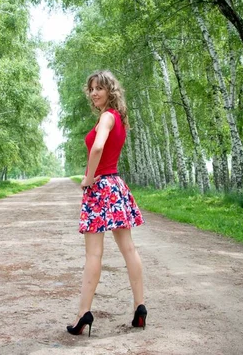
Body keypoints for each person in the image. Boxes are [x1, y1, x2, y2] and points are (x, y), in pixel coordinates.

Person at [67, 70, 147, 337]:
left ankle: (83, 314)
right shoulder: (119, 118)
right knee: (128, 248)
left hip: (100, 187)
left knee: (94, 254)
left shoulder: (106, 117)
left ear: (110, 90)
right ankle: (140, 308)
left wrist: (88, 178)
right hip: (116, 186)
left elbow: (98, 148)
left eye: (99, 88)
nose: (94, 93)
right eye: (91, 89)